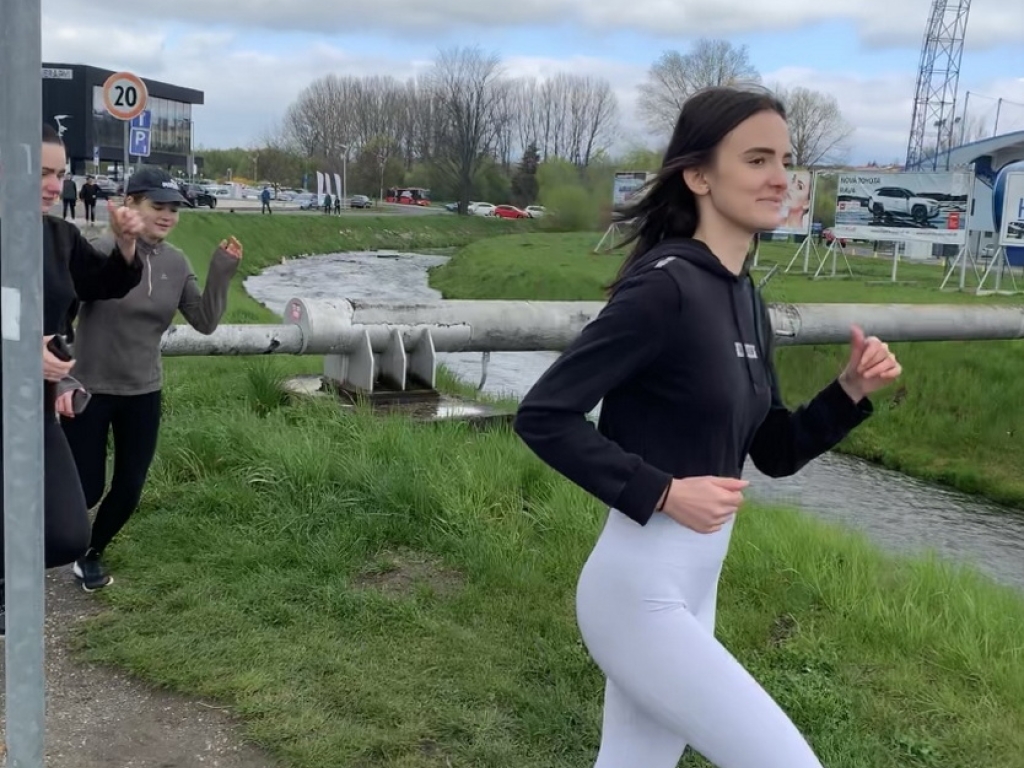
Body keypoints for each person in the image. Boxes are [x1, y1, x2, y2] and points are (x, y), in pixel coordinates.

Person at [512, 86, 902, 768]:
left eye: (785, 160)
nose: (780, 178)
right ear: (698, 176)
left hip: (696, 584)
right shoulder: (664, 288)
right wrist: (663, 491)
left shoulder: (746, 298)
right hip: (638, 592)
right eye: (756, 159)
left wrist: (848, 392)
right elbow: (544, 415)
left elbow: (774, 451)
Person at [59, 165, 243, 592]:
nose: (167, 215)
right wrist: (63, 380)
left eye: (174, 209)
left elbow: (205, 322)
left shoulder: (176, 263)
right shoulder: (98, 250)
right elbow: (60, 320)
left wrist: (222, 270)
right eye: (158, 205)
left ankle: (90, 553)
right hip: (88, 388)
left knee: (129, 488)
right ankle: (28, 542)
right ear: (130, 203)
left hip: (143, 391)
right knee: (86, 488)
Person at [0, 123, 145, 635]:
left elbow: (103, 283)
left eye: (59, 173)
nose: (53, 185)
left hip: (36, 410)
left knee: (65, 533)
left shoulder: (58, 236)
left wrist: (126, 244)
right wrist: (21, 353)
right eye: (41, 172)